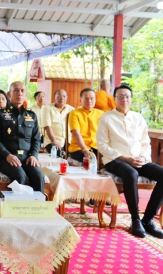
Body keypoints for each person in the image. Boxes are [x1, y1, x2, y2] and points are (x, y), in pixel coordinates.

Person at [97, 85, 163, 239]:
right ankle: (135, 219)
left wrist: (143, 158)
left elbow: (145, 143)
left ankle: (147, 220)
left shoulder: (138, 118)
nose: (124, 99)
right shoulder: (106, 118)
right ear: (114, 99)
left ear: (131, 99)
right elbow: (102, 145)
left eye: (127, 96)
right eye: (120, 96)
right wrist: (124, 158)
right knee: (131, 174)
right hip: (115, 160)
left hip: (138, 159)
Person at [0, 81, 44, 192]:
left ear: (26, 95)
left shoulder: (31, 115)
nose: (19, 93)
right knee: (20, 176)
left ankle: (38, 208)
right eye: (16, 90)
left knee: (39, 176)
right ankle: (17, 208)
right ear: (9, 94)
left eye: (22, 91)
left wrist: (34, 155)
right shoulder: (0, 114)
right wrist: (8, 155)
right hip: (6, 158)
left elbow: (36, 139)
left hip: (27, 158)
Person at [68, 88, 104, 162]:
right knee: (91, 160)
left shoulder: (101, 113)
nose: (89, 101)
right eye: (86, 99)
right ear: (80, 100)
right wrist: (85, 151)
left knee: (110, 160)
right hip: (79, 148)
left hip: (97, 147)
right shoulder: (74, 113)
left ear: (95, 100)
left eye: (92, 98)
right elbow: (76, 134)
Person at [41, 89, 74, 156]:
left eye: (64, 96)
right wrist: (54, 141)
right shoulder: (47, 109)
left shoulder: (72, 109)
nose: (62, 98)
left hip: (69, 141)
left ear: (67, 97)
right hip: (52, 141)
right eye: (59, 96)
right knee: (60, 154)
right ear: (54, 97)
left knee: (74, 155)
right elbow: (47, 127)